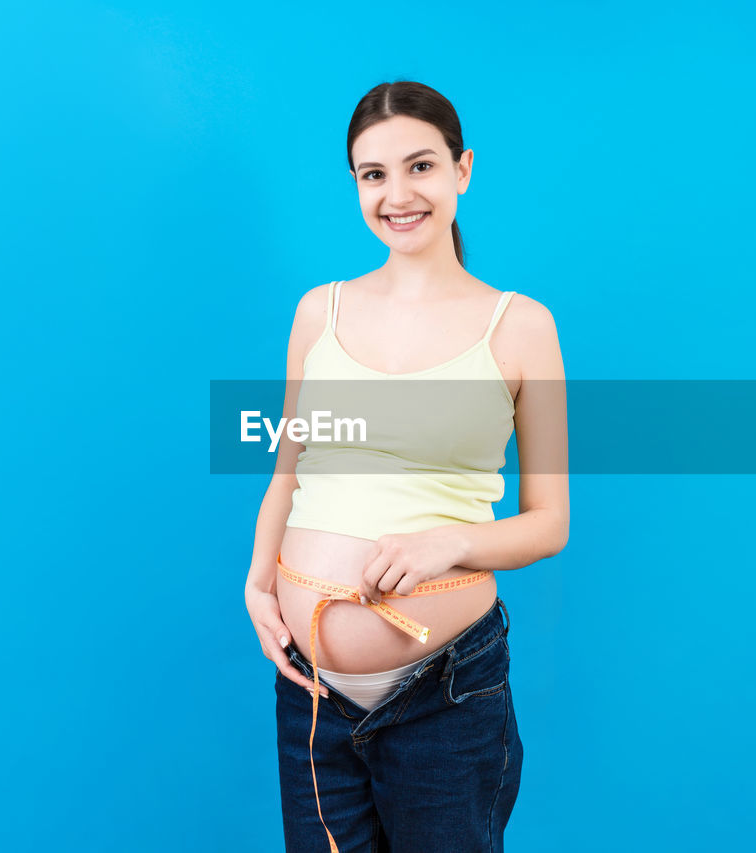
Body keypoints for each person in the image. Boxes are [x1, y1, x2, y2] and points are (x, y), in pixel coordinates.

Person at [243, 80, 569, 853]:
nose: (397, 194)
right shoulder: (316, 311)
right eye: (373, 174)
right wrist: (259, 579)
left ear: (463, 169)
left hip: (443, 692)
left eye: (420, 166)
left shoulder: (520, 327)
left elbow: (549, 523)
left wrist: (444, 542)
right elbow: (289, 469)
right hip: (313, 693)